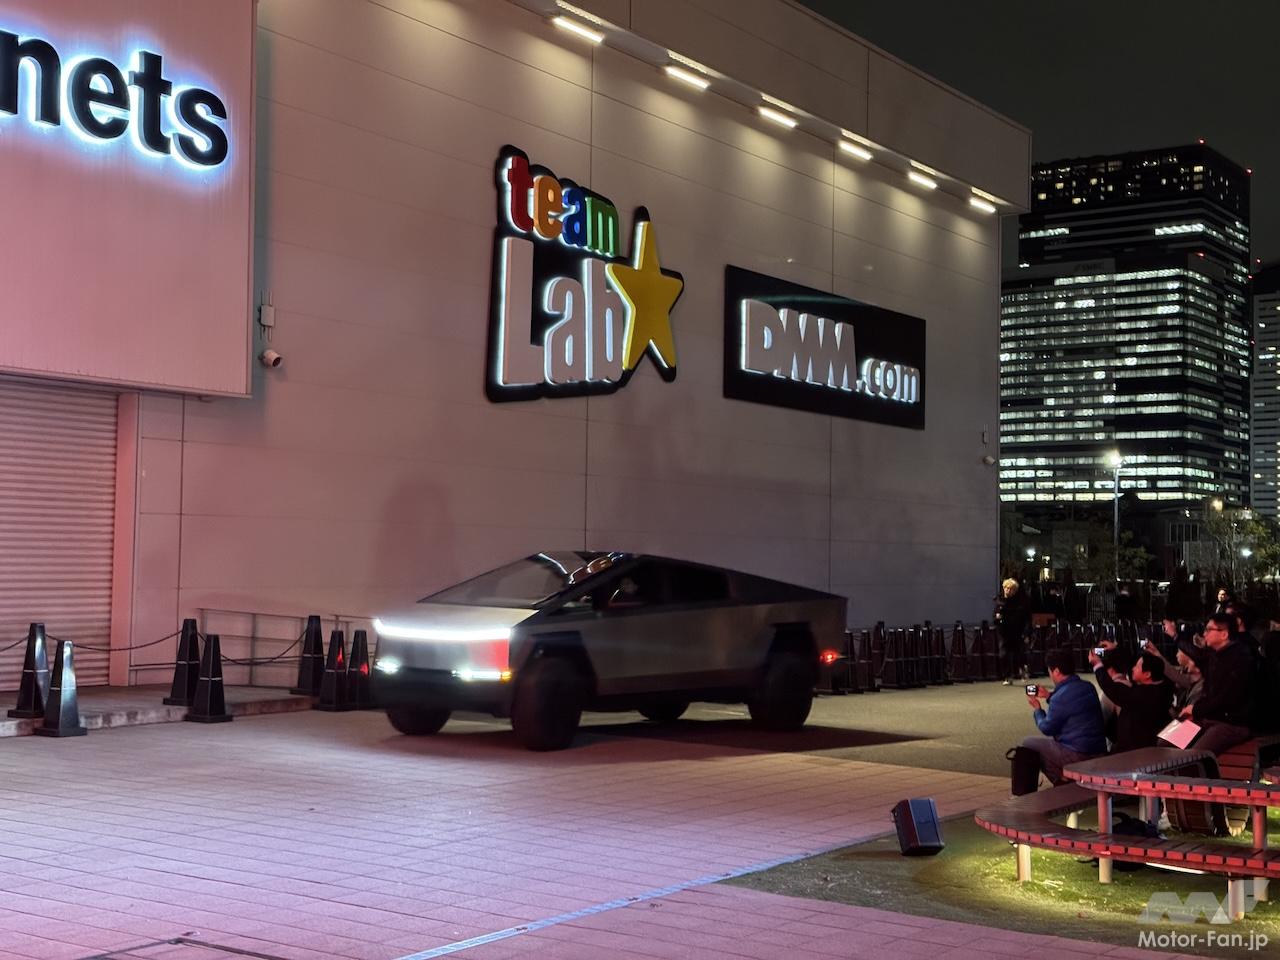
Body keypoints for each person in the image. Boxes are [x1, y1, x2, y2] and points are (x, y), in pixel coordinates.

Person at [1019, 650, 1107, 785]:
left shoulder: (1060, 697)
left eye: (1050, 670)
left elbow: (1047, 728)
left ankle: (1060, 780)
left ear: (1056, 671)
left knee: (1028, 743)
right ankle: (1065, 778)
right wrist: (1049, 696)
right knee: (1050, 745)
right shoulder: (1088, 686)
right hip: (1098, 750)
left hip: (1079, 753)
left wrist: (1037, 710)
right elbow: (1071, 706)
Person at [1178, 612, 1257, 755]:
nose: (1204, 634)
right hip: (1209, 718)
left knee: (1194, 756)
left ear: (1224, 634)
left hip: (1230, 723)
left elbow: (1225, 699)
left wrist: (1195, 710)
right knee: (1167, 741)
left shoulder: (1240, 659)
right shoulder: (1215, 656)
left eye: (1209, 629)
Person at [1089, 649, 1174, 753]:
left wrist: (1097, 665)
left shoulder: (1146, 695)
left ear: (1147, 674)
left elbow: (1114, 690)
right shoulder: (1162, 689)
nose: (1133, 668)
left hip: (1136, 752)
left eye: (1137, 666)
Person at [995, 578, 1030, 685]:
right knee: (1003, 655)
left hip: (1017, 631)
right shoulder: (999, 601)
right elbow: (995, 616)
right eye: (1006, 588)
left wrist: (1026, 633)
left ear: (1015, 591)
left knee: (1018, 654)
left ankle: (1022, 669)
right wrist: (997, 618)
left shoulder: (1020, 603)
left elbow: (1026, 618)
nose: (1008, 590)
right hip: (1004, 632)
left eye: (1010, 589)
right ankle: (1007, 676)